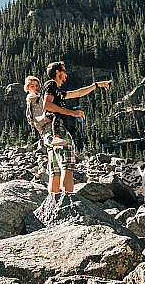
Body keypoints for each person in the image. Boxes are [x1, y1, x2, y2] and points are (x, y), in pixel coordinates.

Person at [42, 61, 112, 193]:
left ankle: (54, 202)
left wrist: (96, 85)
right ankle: (67, 199)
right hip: (58, 130)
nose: (66, 75)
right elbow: (47, 105)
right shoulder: (51, 85)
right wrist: (72, 113)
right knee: (67, 165)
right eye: (64, 72)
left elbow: (78, 93)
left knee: (55, 171)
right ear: (58, 73)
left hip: (48, 132)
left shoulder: (58, 91)